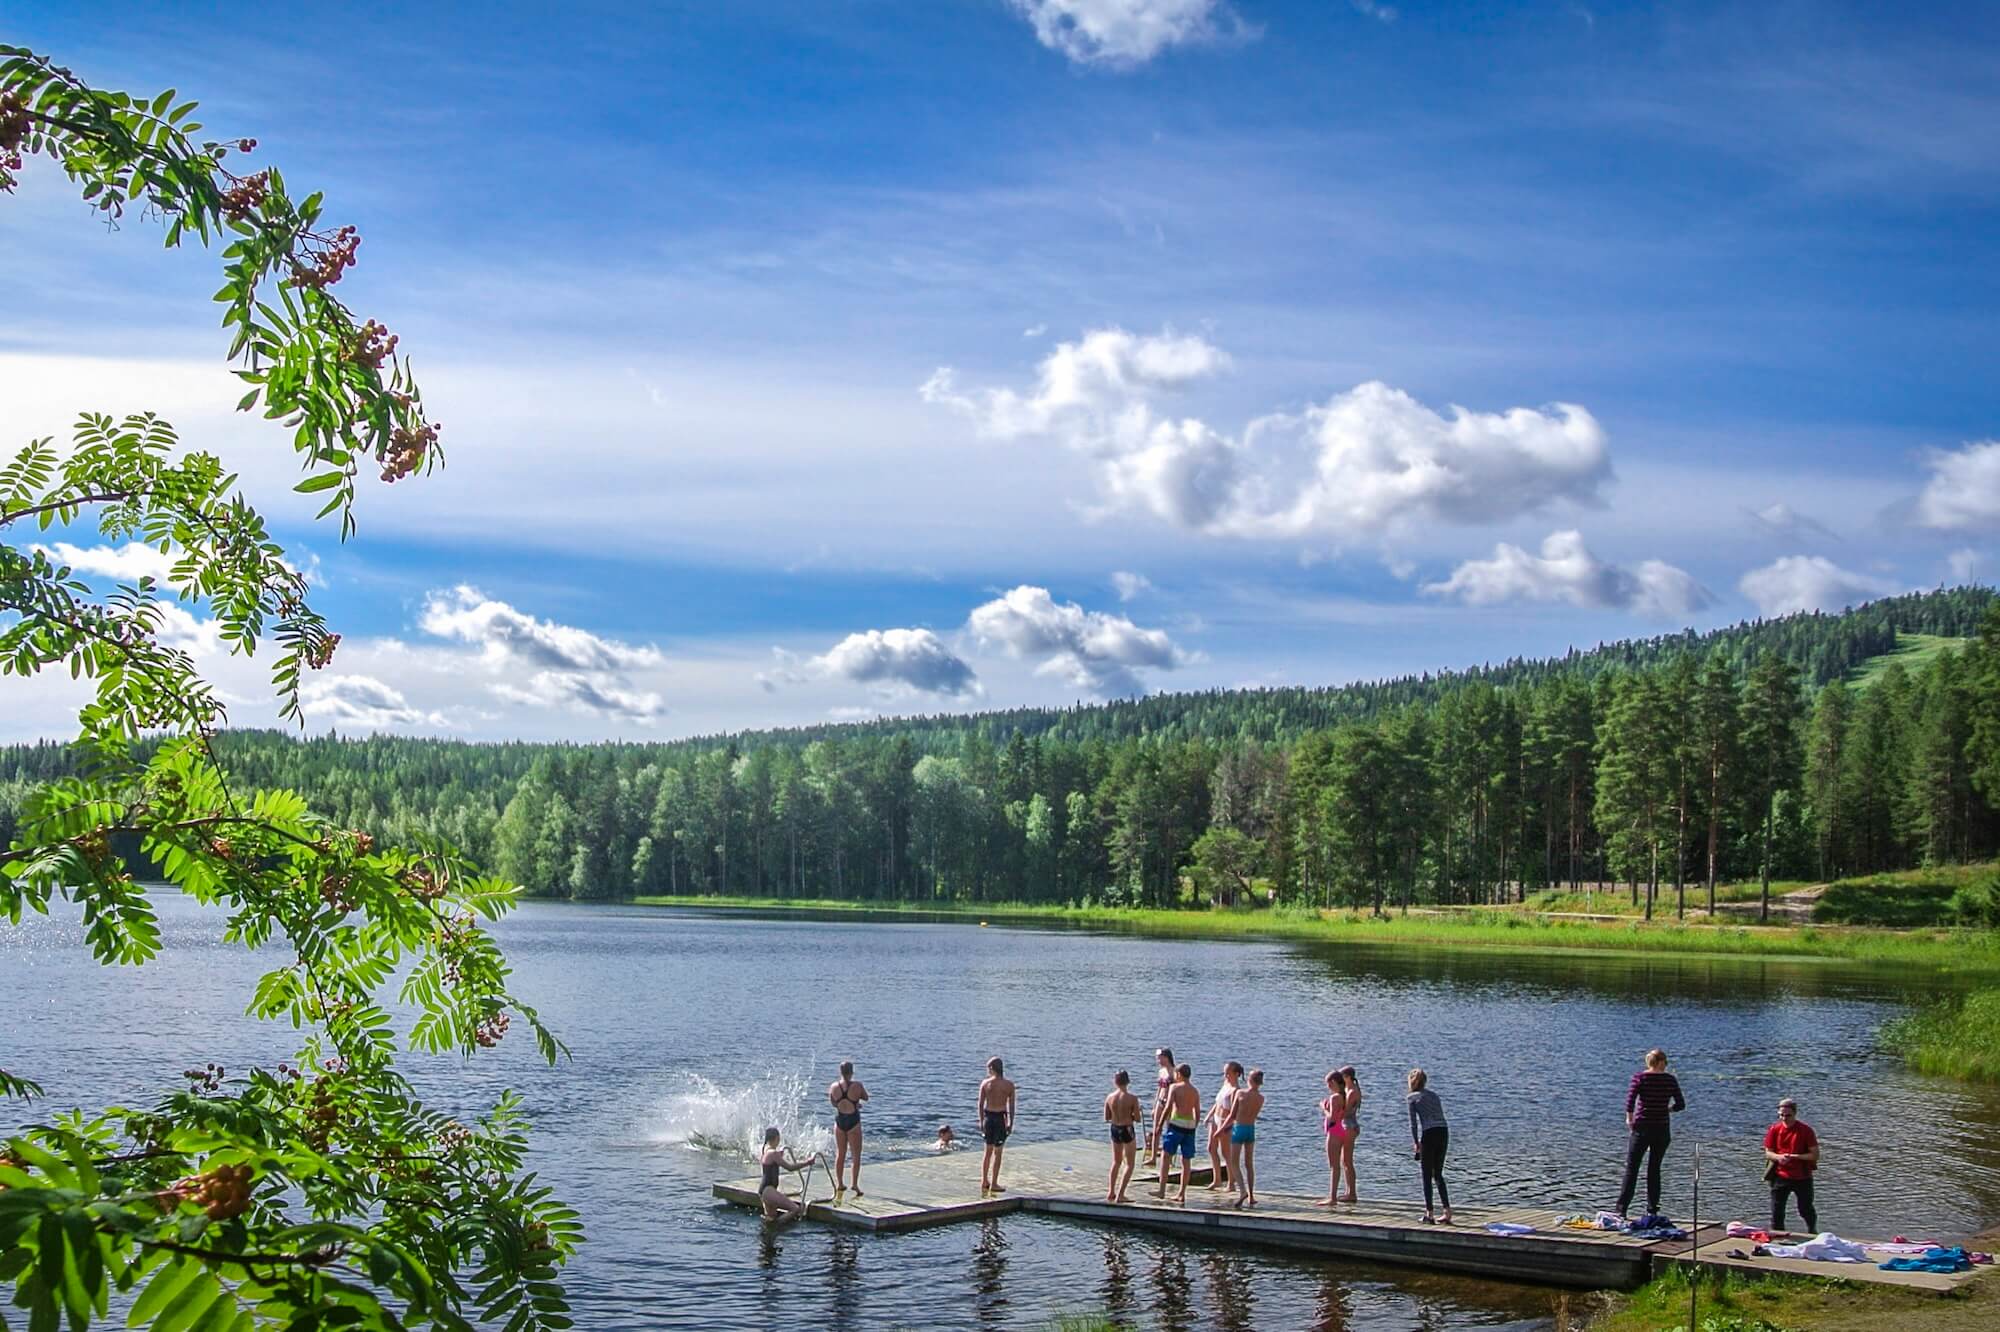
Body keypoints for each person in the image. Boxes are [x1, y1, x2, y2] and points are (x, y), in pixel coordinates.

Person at [1615, 1048, 1686, 1219]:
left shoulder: (1639, 1078)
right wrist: (1667, 1109)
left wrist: (1629, 1119)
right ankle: (1652, 1209)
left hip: (1642, 1127)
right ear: (1661, 1062)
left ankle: (1622, 1209)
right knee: (1654, 1169)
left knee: (1632, 1169)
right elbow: (1680, 1104)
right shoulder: (1670, 1080)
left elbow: (1630, 1101)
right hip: (1661, 1128)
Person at [1763, 1097, 1820, 1233]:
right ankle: (1778, 1234)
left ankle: (1812, 1231)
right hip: (1780, 1175)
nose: (1784, 1118)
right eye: (1781, 1115)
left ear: (1795, 1114)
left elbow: (1815, 1155)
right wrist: (1779, 1157)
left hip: (1802, 1176)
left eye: (1788, 1115)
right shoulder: (1774, 1130)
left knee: (1805, 1209)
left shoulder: (1806, 1131)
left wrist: (1795, 1157)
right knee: (1777, 1210)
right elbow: (1768, 1153)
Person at [1407, 1068, 1451, 1225]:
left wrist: (1416, 1142)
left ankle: (1429, 1214)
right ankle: (1447, 1211)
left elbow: (1413, 1124)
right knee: (1438, 1173)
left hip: (1429, 1133)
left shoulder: (1412, 1098)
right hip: (1443, 1131)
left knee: (1426, 1175)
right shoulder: (1434, 1095)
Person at [1153, 1062, 1202, 1205]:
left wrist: (1159, 1125)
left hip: (1176, 1124)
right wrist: (1195, 1126)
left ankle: (1162, 1190)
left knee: (1166, 1156)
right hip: (1190, 1126)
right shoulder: (1195, 1091)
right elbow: (1197, 1112)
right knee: (1186, 1161)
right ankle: (1181, 1193)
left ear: (1179, 1074)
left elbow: (1168, 1107)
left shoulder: (1174, 1087)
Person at [827, 1060, 869, 1197]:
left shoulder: (834, 1086)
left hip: (839, 1121)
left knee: (841, 1153)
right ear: (852, 1072)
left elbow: (833, 1102)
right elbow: (866, 1097)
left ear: (840, 1072)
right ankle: (855, 1184)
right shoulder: (857, 1085)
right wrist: (855, 1103)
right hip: (853, 1122)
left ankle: (839, 1183)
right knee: (856, 1155)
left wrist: (844, 1103)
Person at [757, 1126, 815, 1223]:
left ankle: (770, 1231)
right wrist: (807, 1162)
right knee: (795, 1209)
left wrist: (779, 1155)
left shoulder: (766, 1151)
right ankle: (777, 1226)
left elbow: (772, 1161)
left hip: (763, 1191)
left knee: (770, 1218)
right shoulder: (773, 1153)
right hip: (769, 1190)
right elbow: (790, 1167)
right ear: (776, 1138)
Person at [978, 1056, 1016, 1196]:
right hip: (1000, 1118)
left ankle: (984, 1180)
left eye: (988, 1068)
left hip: (989, 1117)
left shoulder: (985, 1083)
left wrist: (981, 1121)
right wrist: (1011, 1122)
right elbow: (1011, 1106)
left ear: (992, 1069)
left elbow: (980, 1105)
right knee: (998, 1152)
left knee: (987, 1151)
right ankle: (993, 1182)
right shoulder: (1009, 1085)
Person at [1226, 1068, 1264, 1209]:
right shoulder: (1261, 1098)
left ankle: (1242, 1191)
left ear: (1249, 1080)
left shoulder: (1240, 1093)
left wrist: (1221, 1129)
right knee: (1249, 1164)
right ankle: (1252, 1196)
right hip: (1251, 1129)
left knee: (1234, 1162)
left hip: (1239, 1128)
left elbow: (1232, 1115)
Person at [1103, 1070, 1142, 1202]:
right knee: (1130, 1164)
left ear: (1115, 1082)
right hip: (1127, 1129)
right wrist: (1132, 1113)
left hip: (1114, 1128)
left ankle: (1111, 1191)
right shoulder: (1132, 1098)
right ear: (1128, 1081)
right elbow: (1137, 1118)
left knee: (1116, 1161)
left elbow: (1106, 1117)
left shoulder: (1109, 1097)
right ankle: (1121, 1194)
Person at [1205, 1061, 1242, 1191]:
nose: (1225, 1075)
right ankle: (1217, 1179)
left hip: (1226, 1122)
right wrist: (1209, 1115)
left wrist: (1224, 1128)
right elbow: (1218, 1102)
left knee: (1226, 1153)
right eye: (1224, 1072)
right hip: (1215, 1118)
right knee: (1211, 1148)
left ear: (1236, 1074)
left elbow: (1234, 1113)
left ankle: (1231, 1183)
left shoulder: (1236, 1090)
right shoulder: (1225, 1084)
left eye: (1228, 1072)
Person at [1316, 1068, 1348, 1207]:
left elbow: (1332, 1118)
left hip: (1334, 1132)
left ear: (1333, 1082)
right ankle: (1333, 1196)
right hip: (1340, 1131)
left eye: (1328, 1084)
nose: (1327, 1087)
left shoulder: (1335, 1097)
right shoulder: (1343, 1095)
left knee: (1333, 1166)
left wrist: (1323, 1108)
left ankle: (1332, 1197)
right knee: (1336, 1166)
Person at [1144, 1047, 1174, 1168]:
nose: (1158, 1060)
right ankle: (1153, 1158)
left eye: (1160, 1057)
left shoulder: (1174, 1072)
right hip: (1160, 1102)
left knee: (1169, 1131)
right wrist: (1154, 1104)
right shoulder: (1161, 1071)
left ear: (1167, 1057)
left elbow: (1176, 1090)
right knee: (1156, 1129)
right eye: (1158, 1058)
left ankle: (1169, 1158)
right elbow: (1159, 1089)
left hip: (1170, 1104)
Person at [1336, 1066, 1362, 1203]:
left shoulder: (1352, 1091)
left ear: (1347, 1077)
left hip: (1349, 1126)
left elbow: (1346, 1112)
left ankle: (1352, 1193)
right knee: (1344, 1160)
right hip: (1347, 1125)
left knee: (1347, 1161)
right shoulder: (1348, 1090)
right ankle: (1348, 1191)